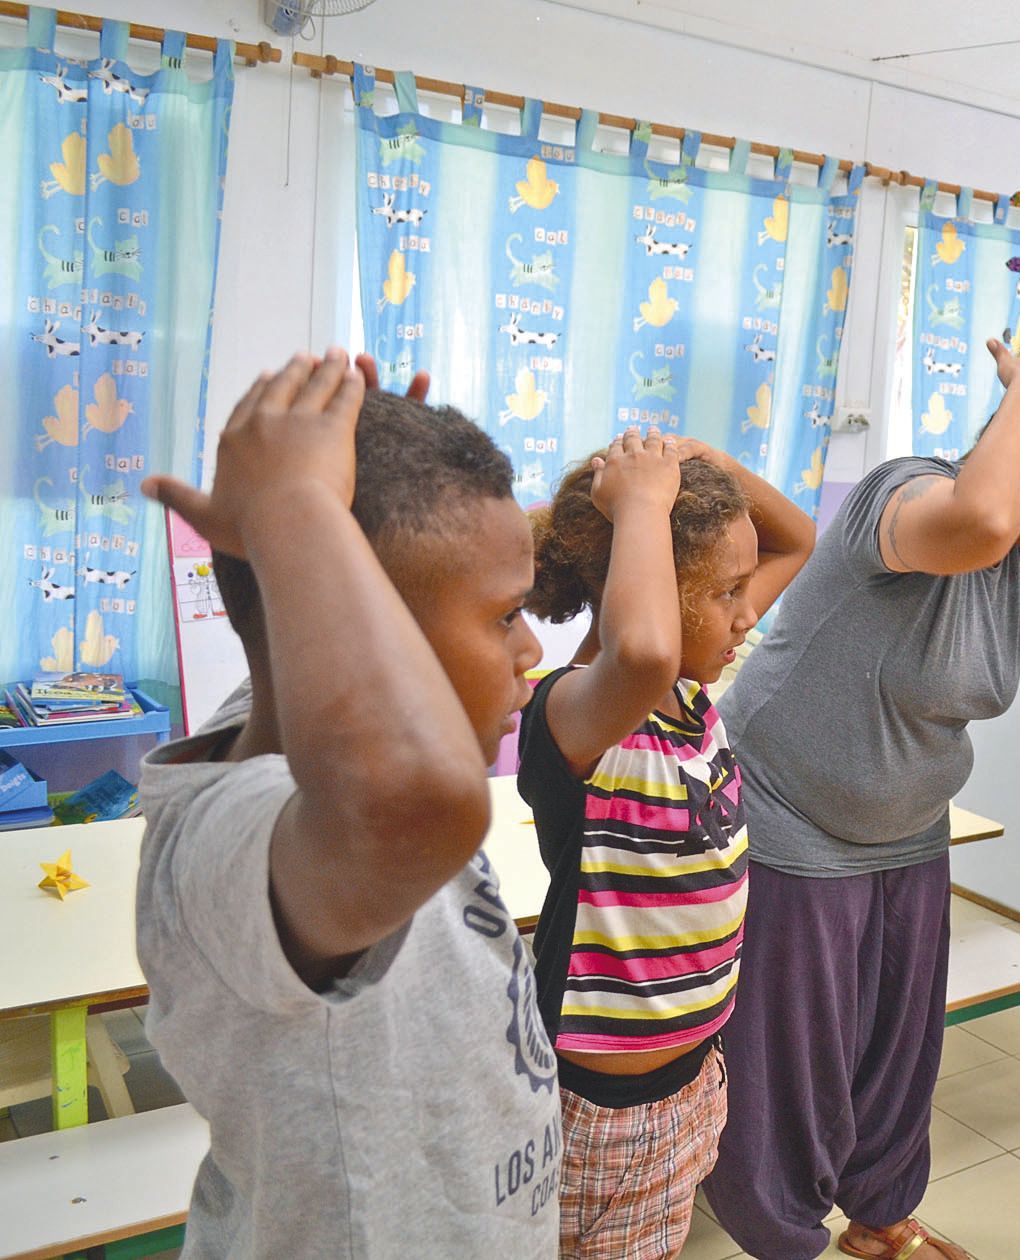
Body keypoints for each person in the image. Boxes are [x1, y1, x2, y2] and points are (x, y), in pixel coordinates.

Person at [702, 343, 1020, 1260]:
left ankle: (878, 1219)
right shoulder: (908, 495)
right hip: (793, 817)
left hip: (907, 829)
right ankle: (784, 1239)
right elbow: (983, 515)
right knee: (796, 1066)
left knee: (897, 1054)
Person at [136, 350, 560, 1256]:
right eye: (502, 616)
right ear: (380, 641)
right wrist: (304, 510)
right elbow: (412, 794)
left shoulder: (309, 717)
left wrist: (361, 499)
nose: (530, 647)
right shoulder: (225, 837)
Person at [516, 433, 814, 1258]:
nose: (748, 613)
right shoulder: (573, 715)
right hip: (605, 1110)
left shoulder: (687, 696)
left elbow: (797, 538)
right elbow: (640, 648)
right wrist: (644, 502)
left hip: (692, 1081)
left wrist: (698, 458)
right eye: (724, 592)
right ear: (641, 586)